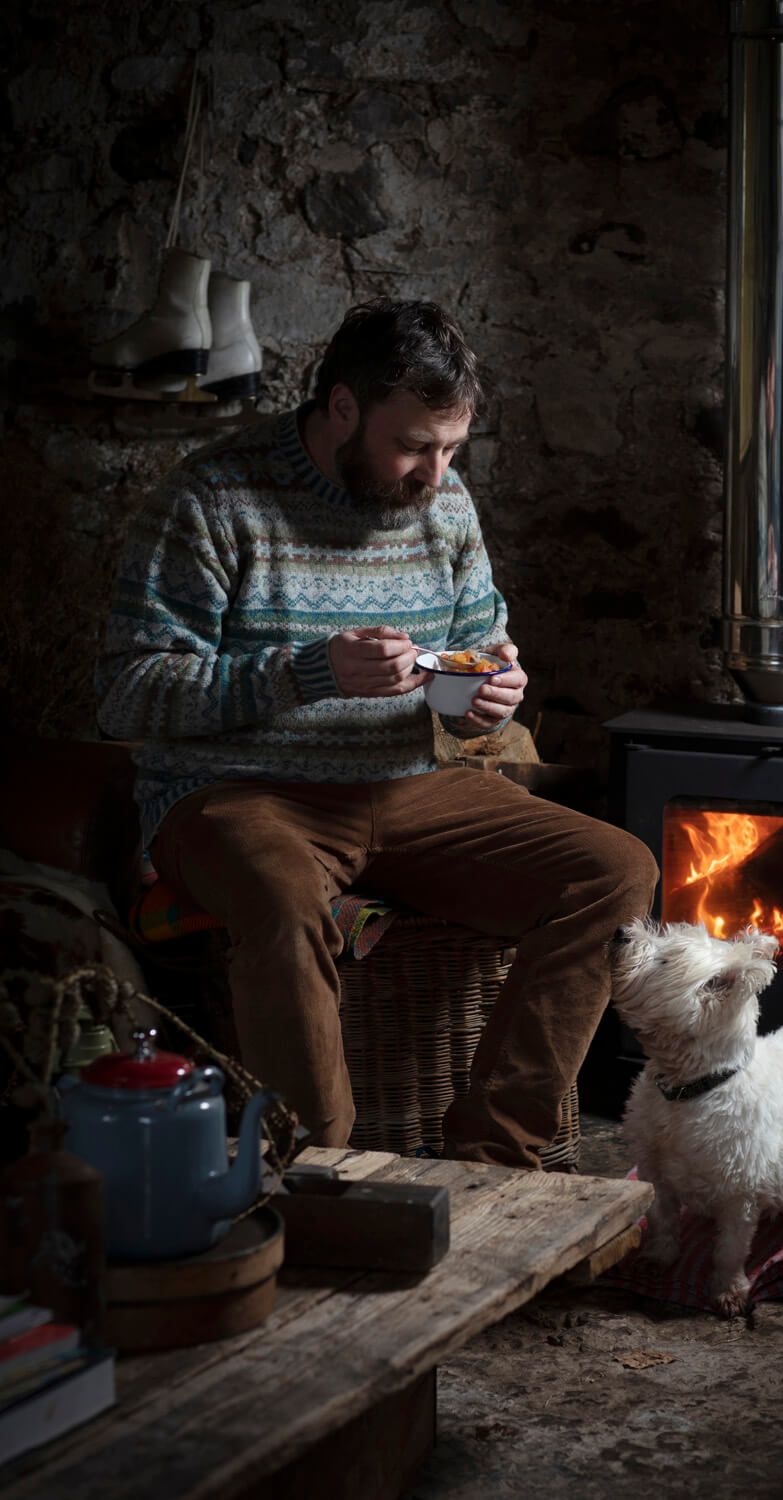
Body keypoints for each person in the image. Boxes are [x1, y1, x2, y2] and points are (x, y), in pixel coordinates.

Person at [95, 298, 659, 1170]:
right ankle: (319, 1174)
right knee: (284, 898)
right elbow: (128, 694)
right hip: (241, 799)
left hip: (412, 786)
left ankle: (493, 1157)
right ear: (343, 408)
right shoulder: (212, 499)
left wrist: (483, 698)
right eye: (414, 446)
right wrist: (303, 672)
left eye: (451, 450)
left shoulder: (446, 506)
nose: (434, 474)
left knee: (616, 870)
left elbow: (476, 647)